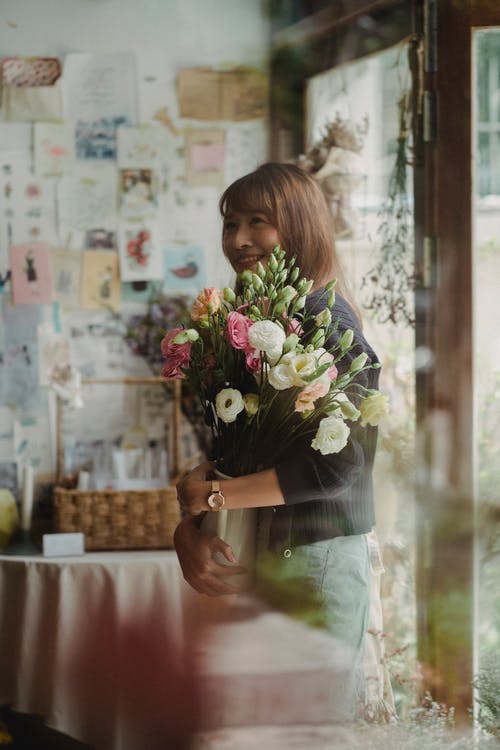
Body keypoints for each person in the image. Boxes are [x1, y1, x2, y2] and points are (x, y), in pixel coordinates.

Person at [174, 162, 384, 721]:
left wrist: (213, 500)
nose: (238, 240)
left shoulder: (325, 318)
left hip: (313, 562)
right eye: (230, 223)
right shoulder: (268, 321)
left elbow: (338, 466)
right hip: (265, 556)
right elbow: (252, 451)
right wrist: (190, 525)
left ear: (297, 226)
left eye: (258, 221)